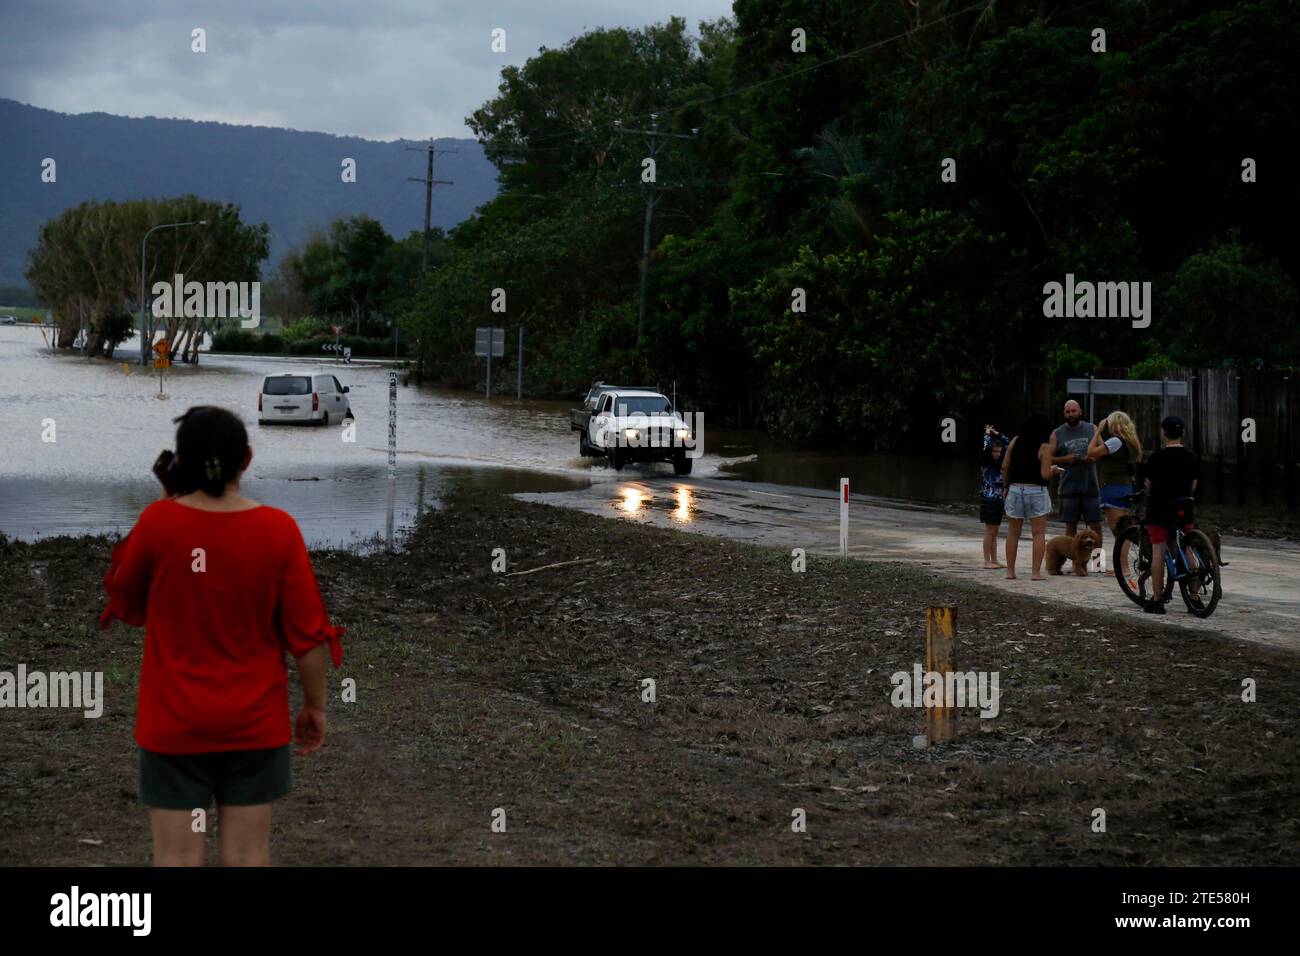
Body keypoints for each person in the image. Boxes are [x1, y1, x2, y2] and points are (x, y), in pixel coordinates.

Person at [100, 406, 344, 865]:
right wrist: (315, 706)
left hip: (174, 725)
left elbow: (127, 603)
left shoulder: (157, 523)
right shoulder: (278, 530)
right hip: (253, 726)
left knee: (176, 857)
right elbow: (307, 638)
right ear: (247, 459)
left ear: (180, 463)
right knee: (248, 855)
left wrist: (172, 501)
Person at [1142, 415, 1201, 614]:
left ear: (1163, 432)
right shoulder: (1192, 456)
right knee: (1188, 548)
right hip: (1184, 507)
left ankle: (1157, 599)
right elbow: (1194, 484)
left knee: (1158, 551)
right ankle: (1194, 598)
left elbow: (1148, 483)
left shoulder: (1157, 457)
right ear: (1182, 432)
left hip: (1160, 508)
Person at [1001, 413, 1057, 580]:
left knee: (1013, 532)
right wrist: (1053, 470)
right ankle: (1035, 573)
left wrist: (1006, 486)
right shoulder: (1044, 447)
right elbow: (1045, 474)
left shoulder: (1014, 441)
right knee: (1038, 534)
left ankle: (1010, 572)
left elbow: (1005, 466)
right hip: (1036, 490)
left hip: (1015, 489)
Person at [1050, 400, 1103, 544]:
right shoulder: (1057, 433)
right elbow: (1048, 458)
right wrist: (1066, 459)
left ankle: (1097, 565)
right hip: (1068, 489)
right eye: (1068, 412)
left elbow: (1103, 450)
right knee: (1070, 529)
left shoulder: (1092, 428)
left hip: (1090, 488)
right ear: (1064, 414)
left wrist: (1092, 457)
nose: (1071, 414)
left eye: (1073, 411)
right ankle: (1076, 563)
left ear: (1080, 412)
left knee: (1096, 528)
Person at [1085, 410, 1143, 536]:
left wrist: (1098, 431)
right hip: (1127, 488)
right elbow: (1106, 449)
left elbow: (1090, 452)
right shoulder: (1130, 442)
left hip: (1112, 488)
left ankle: (1120, 556)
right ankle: (1123, 556)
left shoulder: (1115, 442)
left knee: (1118, 532)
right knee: (1125, 531)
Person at [979, 425, 1008, 568]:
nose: (996, 453)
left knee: (995, 531)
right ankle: (986, 561)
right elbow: (985, 447)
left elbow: (1009, 444)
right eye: (994, 451)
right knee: (989, 530)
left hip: (999, 499)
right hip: (988, 498)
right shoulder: (986, 462)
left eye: (998, 451)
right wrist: (987, 434)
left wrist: (998, 434)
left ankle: (994, 559)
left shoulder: (1001, 463)